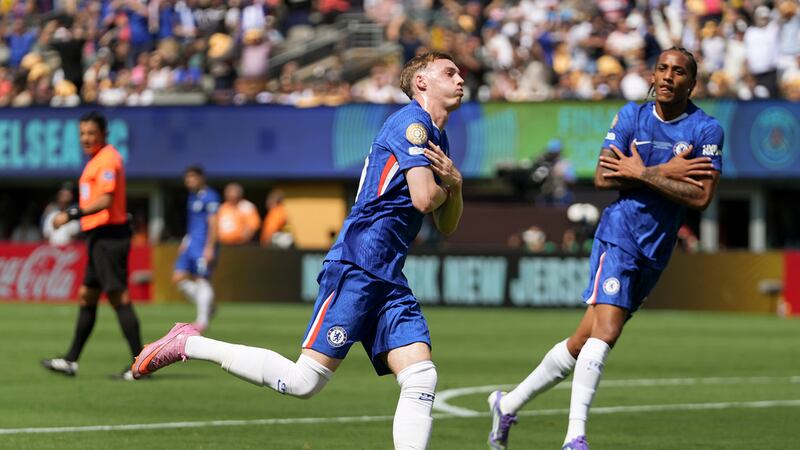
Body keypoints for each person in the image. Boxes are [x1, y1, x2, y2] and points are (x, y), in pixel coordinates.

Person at [131, 51, 465, 450]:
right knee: (303, 381)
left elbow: (446, 222)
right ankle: (187, 343)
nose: (460, 78)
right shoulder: (411, 123)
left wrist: (457, 186)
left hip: (388, 274)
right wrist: (449, 188)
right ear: (421, 83)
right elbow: (426, 200)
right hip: (358, 265)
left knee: (421, 377)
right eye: (449, 72)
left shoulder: (436, 138)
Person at [487, 47, 723, 450]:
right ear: (653, 73)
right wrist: (664, 172)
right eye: (662, 68)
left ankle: (506, 405)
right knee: (608, 331)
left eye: (678, 71)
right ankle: (575, 437)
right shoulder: (632, 115)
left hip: (655, 250)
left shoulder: (706, 130)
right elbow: (602, 175)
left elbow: (700, 197)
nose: (668, 76)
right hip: (619, 236)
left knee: (582, 341)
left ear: (692, 82)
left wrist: (643, 171)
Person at [41, 111, 143, 380]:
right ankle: (71, 360)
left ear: (103, 134)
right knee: (87, 296)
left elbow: (106, 201)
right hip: (98, 237)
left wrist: (71, 214)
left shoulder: (108, 159)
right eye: (82, 134)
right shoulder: (96, 160)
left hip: (110, 236)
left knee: (119, 298)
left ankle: (141, 365)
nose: (86, 138)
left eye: (91, 133)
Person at [173, 165, 220, 332]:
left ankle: (202, 320)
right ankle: (208, 305)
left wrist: (209, 247)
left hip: (203, 245)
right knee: (178, 278)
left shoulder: (211, 197)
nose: (189, 181)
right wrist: (186, 240)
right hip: (191, 244)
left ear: (201, 178)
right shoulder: (192, 197)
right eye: (187, 178)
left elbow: (213, 223)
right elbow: (194, 223)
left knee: (202, 279)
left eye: (192, 177)